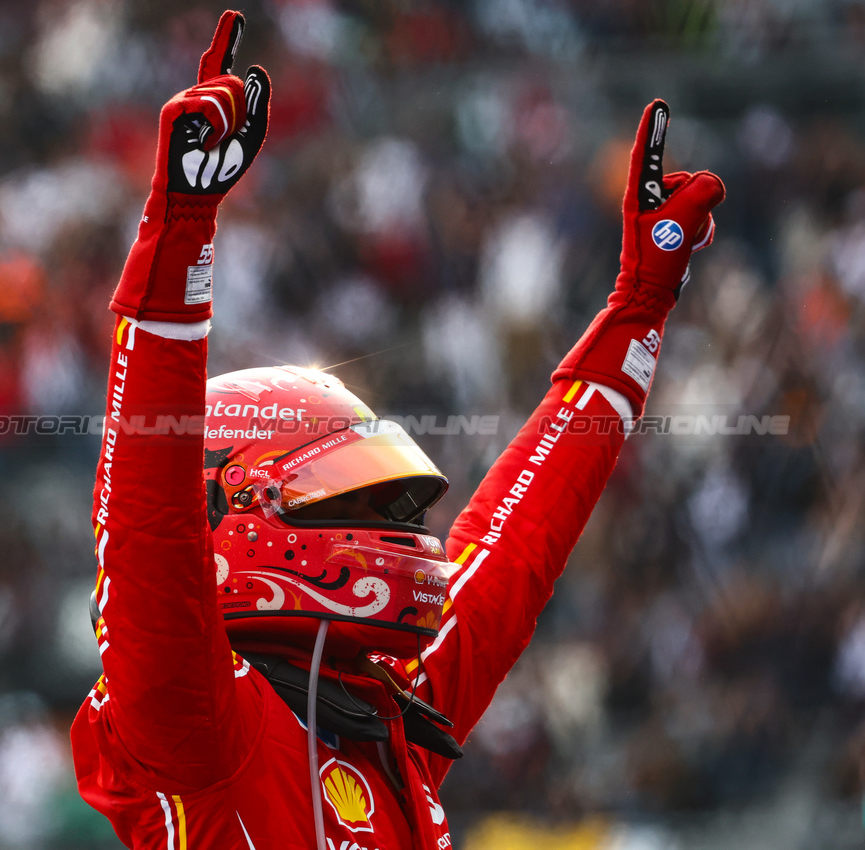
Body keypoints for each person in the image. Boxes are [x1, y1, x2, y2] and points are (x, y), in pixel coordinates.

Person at [70, 11, 725, 848]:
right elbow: (146, 525)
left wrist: (637, 310)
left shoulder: (385, 713)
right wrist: (180, 228)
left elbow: (518, 542)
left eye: (387, 500)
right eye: (349, 495)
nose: (400, 531)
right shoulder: (195, 725)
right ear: (232, 509)